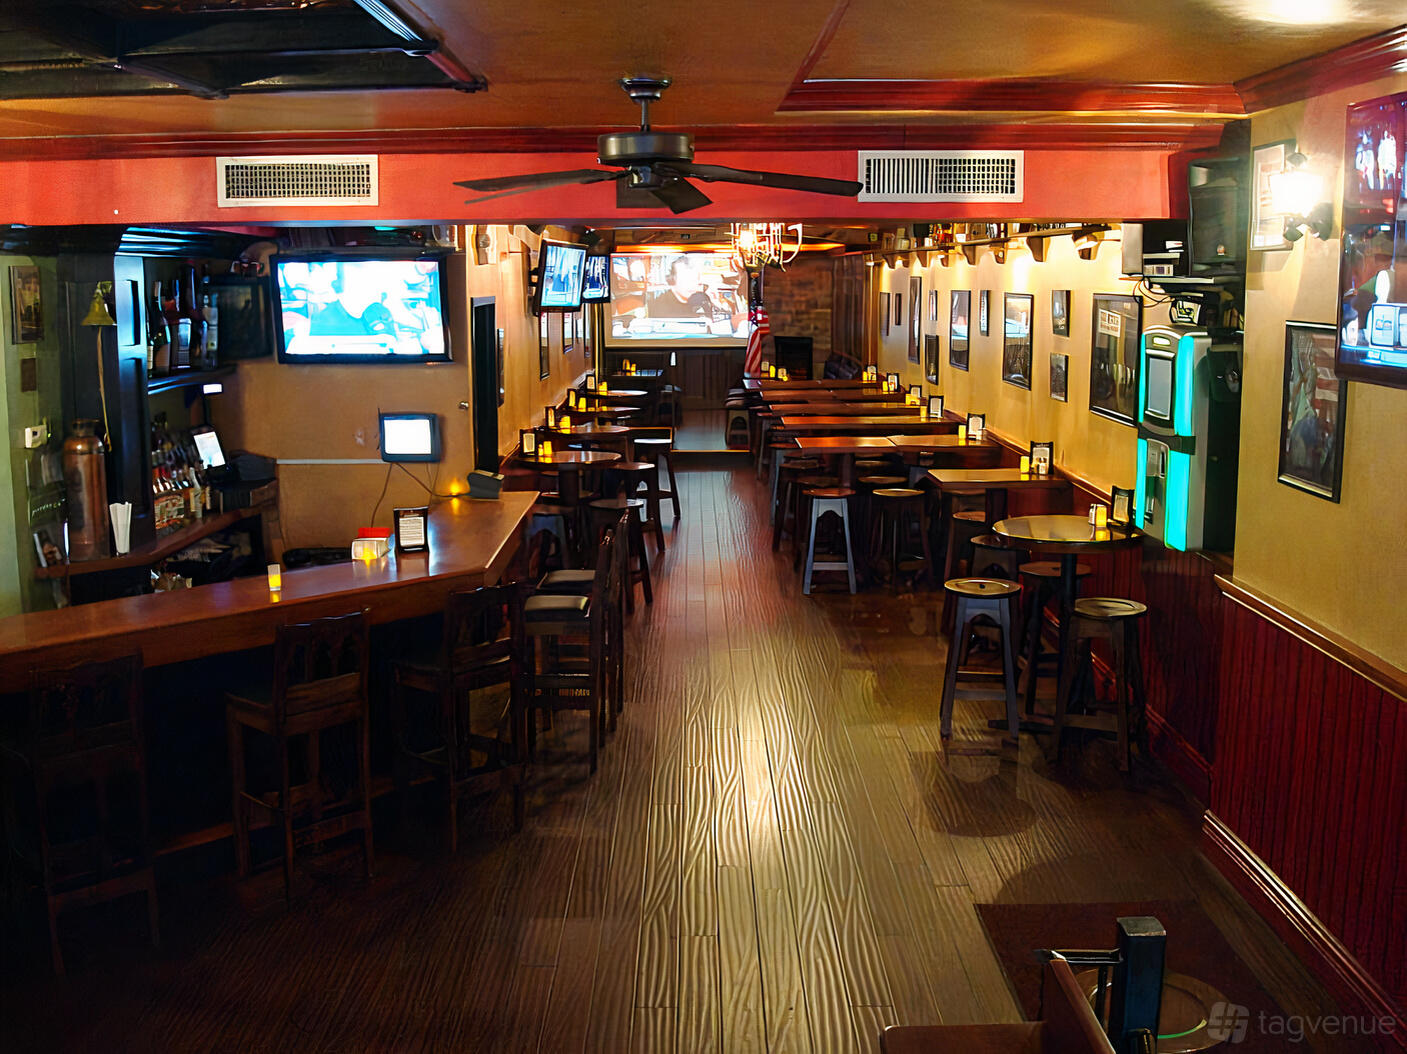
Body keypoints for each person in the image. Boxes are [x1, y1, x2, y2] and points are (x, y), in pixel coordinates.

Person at [647, 256, 715, 319]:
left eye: (695, 280)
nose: (692, 285)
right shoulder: (658, 304)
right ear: (672, 280)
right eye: (687, 280)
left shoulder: (701, 299)